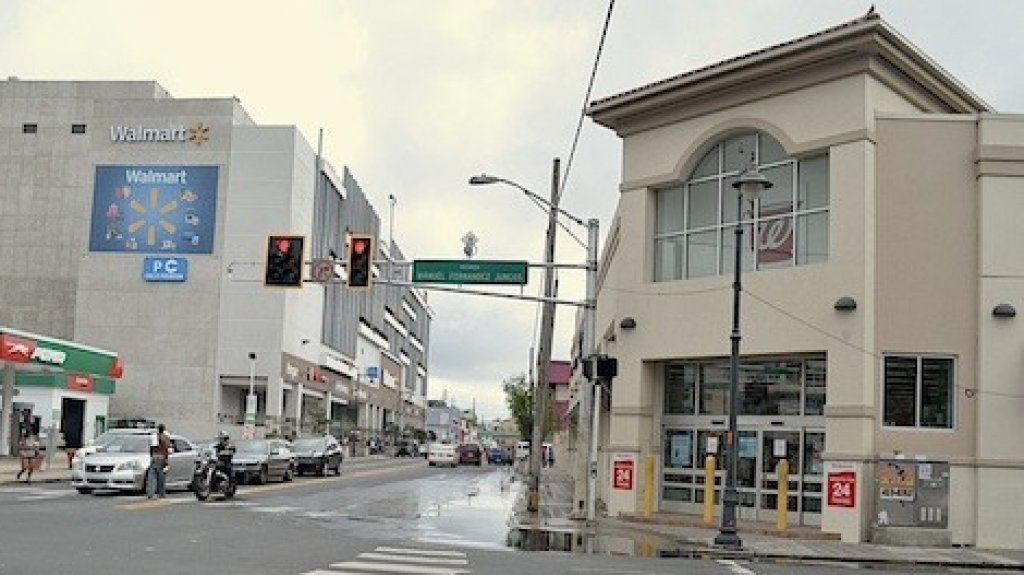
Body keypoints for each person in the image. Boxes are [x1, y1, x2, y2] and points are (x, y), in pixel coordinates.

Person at [146, 424, 171, 499]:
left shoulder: (154, 437)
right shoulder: (166, 438)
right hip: (162, 457)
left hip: (154, 456)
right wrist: (166, 459)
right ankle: (161, 493)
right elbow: (166, 449)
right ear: (164, 429)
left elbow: (151, 448)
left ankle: (150, 493)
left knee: (152, 476)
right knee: (161, 476)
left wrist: (152, 456)